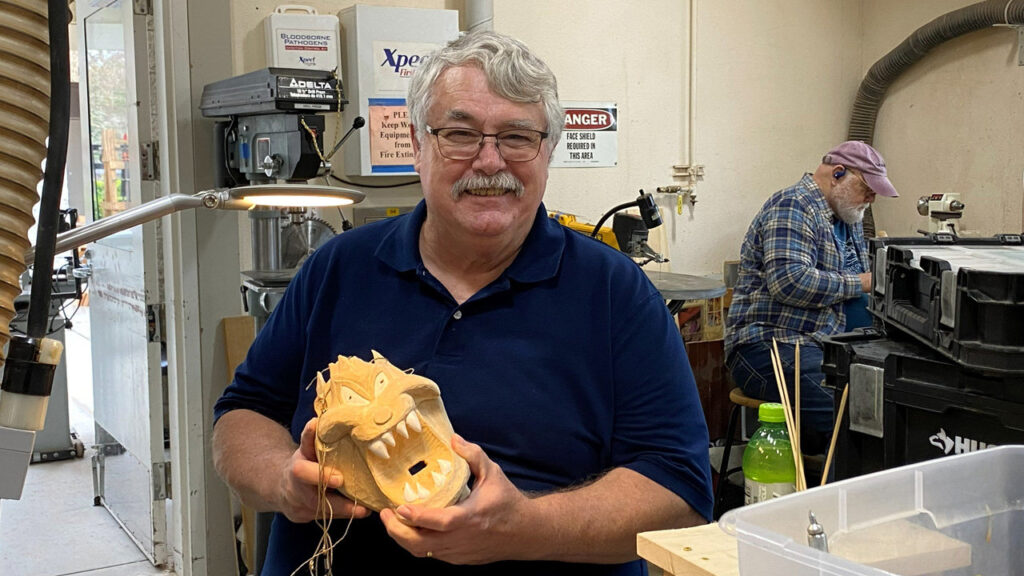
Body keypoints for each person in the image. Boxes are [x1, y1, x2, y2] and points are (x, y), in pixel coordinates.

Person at [213, 30, 712, 576]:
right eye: (460, 133)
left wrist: (525, 528)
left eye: (518, 136)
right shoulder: (338, 267)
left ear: (548, 150)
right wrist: (281, 479)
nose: (489, 160)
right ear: (418, 143)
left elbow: (680, 494)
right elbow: (243, 413)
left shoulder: (617, 295)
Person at [724, 141, 898, 454]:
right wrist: (863, 282)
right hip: (770, 347)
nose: (871, 198)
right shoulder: (793, 205)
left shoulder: (848, 217)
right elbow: (790, 282)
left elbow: (860, 290)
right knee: (851, 418)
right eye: (867, 188)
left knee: (888, 405)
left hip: (823, 347)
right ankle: (833, 497)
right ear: (838, 173)